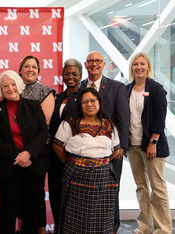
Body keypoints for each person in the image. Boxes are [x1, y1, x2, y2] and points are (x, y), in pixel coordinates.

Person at [0, 70, 48, 234]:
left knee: (31, 210)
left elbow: (43, 132)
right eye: (5, 85)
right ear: (0, 89)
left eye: (13, 84)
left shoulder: (33, 105)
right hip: (8, 167)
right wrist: (18, 155)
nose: (10, 88)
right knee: (8, 210)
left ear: (19, 85)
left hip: (32, 165)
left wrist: (28, 153)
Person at [53, 87, 120, 234]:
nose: (89, 104)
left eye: (92, 100)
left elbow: (115, 150)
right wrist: (71, 163)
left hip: (102, 178)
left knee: (101, 218)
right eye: (85, 102)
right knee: (74, 216)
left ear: (99, 102)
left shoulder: (109, 125)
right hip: (76, 176)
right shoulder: (69, 123)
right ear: (80, 105)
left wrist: (99, 163)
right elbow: (57, 146)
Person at [81, 51, 129, 233]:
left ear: (103, 64)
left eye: (98, 61)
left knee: (111, 190)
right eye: (91, 61)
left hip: (112, 151)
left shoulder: (117, 87)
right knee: (90, 191)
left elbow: (124, 118)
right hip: (86, 152)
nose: (94, 64)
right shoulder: (80, 87)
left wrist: (121, 146)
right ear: (85, 65)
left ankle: (113, 227)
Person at [126, 52, 172, 234]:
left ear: (148, 66)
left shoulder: (156, 88)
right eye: (135, 64)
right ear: (131, 68)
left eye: (142, 64)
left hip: (152, 146)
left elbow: (160, 118)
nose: (139, 67)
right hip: (133, 145)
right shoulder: (127, 89)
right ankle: (145, 227)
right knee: (141, 187)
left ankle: (163, 229)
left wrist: (153, 141)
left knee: (157, 188)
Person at [18, 55, 55, 233]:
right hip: (17, 151)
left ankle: (37, 230)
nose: (30, 69)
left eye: (34, 67)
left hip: (38, 152)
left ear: (39, 71)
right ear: (20, 70)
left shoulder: (46, 91)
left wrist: (29, 151)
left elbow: (44, 123)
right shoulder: (12, 89)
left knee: (35, 195)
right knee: (20, 196)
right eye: (26, 66)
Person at [48, 58, 82, 234]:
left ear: (80, 75)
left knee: (74, 200)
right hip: (54, 156)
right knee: (56, 196)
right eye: (67, 73)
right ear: (62, 76)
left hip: (75, 157)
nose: (70, 77)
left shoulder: (86, 97)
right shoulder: (57, 97)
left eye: (74, 74)